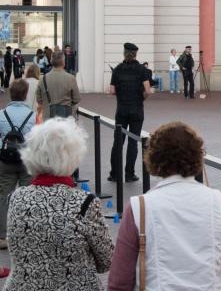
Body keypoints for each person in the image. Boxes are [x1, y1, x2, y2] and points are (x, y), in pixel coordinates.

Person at [108, 122, 221, 290]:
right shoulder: (220, 201)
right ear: (197, 156)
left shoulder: (139, 207)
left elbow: (120, 279)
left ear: (153, 158)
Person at [5, 118, 114, 290]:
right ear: (73, 157)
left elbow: (17, 250)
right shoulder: (84, 203)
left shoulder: (15, 198)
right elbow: (107, 260)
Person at [0, 80, 36, 250]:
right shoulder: (32, 115)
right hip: (26, 159)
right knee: (27, 196)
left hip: (5, 160)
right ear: (25, 94)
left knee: (3, 196)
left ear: (11, 94)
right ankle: (26, 234)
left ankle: (2, 236)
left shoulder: (2, 114)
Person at [109, 43, 151, 183]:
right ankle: (129, 174)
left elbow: (112, 91)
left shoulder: (118, 69)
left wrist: (120, 96)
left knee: (118, 142)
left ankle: (114, 174)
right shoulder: (141, 70)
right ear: (136, 54)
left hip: (121, 110)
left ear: (124, 53)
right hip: (137, 109)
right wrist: (141, 98)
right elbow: (148, 90)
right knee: (133, 142)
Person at [35, 50, 81, 120]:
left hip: (48, 119)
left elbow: (39, 100)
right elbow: (77, 99)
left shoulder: (42, 79)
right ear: (63, 63)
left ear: (51, 61)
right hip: (65, 118)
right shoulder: (71, 78)